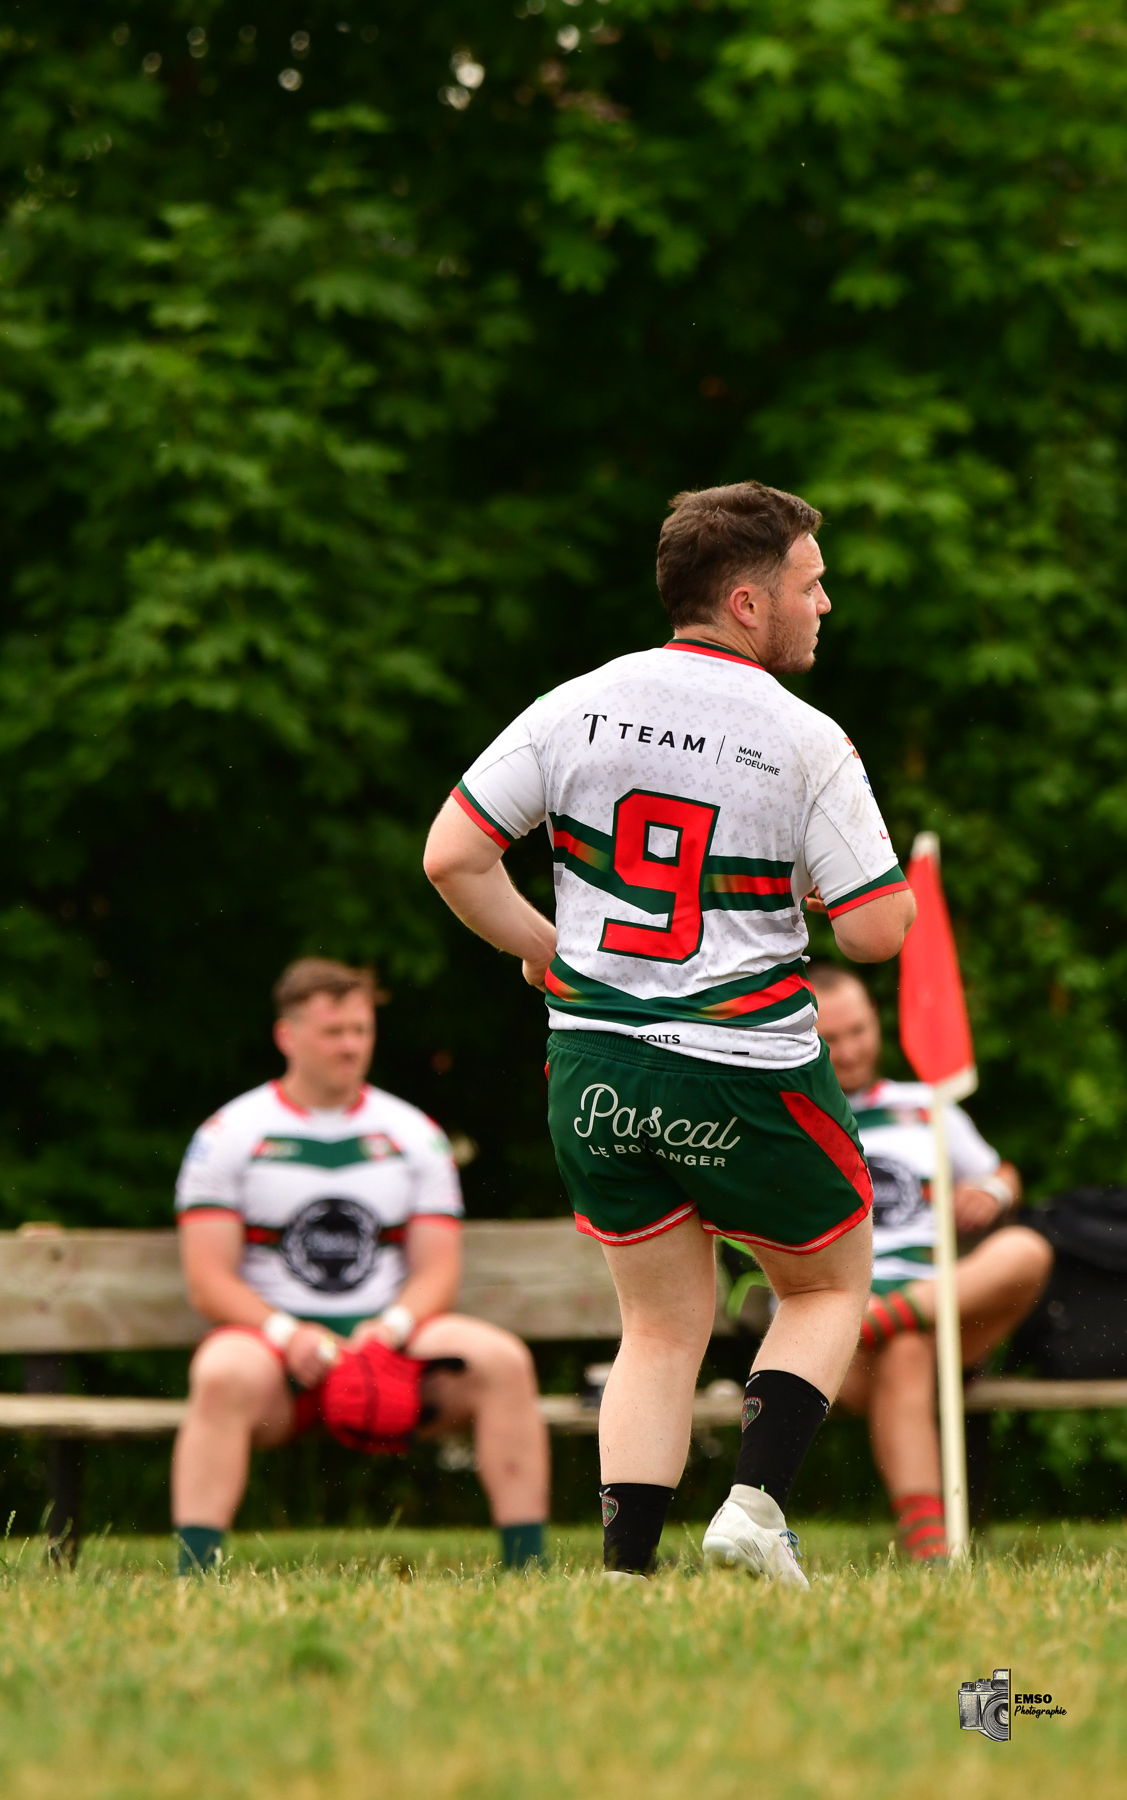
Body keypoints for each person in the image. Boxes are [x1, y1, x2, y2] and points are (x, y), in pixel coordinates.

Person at [424, 481, 915, 1584]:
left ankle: (625, 1572)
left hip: (594, 1063)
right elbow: (878, 932)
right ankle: (755, 1506)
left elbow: (451, 856)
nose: (824, 604)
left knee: (656, 1327)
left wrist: (549, 948)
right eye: (809, 584)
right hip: (744, 1067)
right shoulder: (805, 738)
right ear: (747, 601)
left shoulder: (576, 704)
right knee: (828, 1285)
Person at [171, 958, 550, 1574]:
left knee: (503, 1361)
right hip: (275, 1352)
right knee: (219, 1372)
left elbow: (438, 1272)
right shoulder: (228, 1134)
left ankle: (527, 1566)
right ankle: (194, 1572)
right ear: (287, 1035)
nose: (350, 1046)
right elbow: (208, 1280)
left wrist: (388, 1330)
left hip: (389, 1343)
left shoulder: (414, 1133)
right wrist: (288, 1335)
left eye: (360, 1030)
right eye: (333, 1032)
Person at [813, 964, 1053, 1562]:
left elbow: (1003, 1175)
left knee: (1027, 1249)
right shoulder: (793, 1118)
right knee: (907, 1346)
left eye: (858, 1031)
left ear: (876, 1021)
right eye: (831, 1039)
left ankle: (884, 1321)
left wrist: (992, 1192)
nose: (850, 1050)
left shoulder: (926, 1105)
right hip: (839, 1334)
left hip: (941, 1317)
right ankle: (932, 1553)